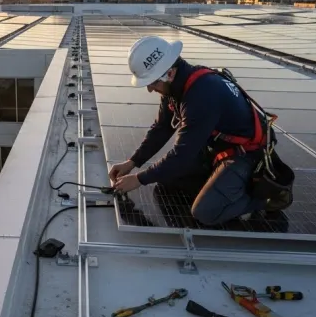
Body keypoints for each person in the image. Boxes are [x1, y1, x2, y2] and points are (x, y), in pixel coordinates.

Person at [109, 35, 275, 226]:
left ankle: (263, 197)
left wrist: (139, 179)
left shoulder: (202, 95)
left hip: (247, 155)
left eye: (152, 83)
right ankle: (218, 183)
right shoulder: (177, 85)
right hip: (218, 147)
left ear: (169, 73)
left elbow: (181, 155)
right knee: (168, 177)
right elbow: (162, 128)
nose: (150, 89)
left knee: (205, 212)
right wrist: (133, 162)